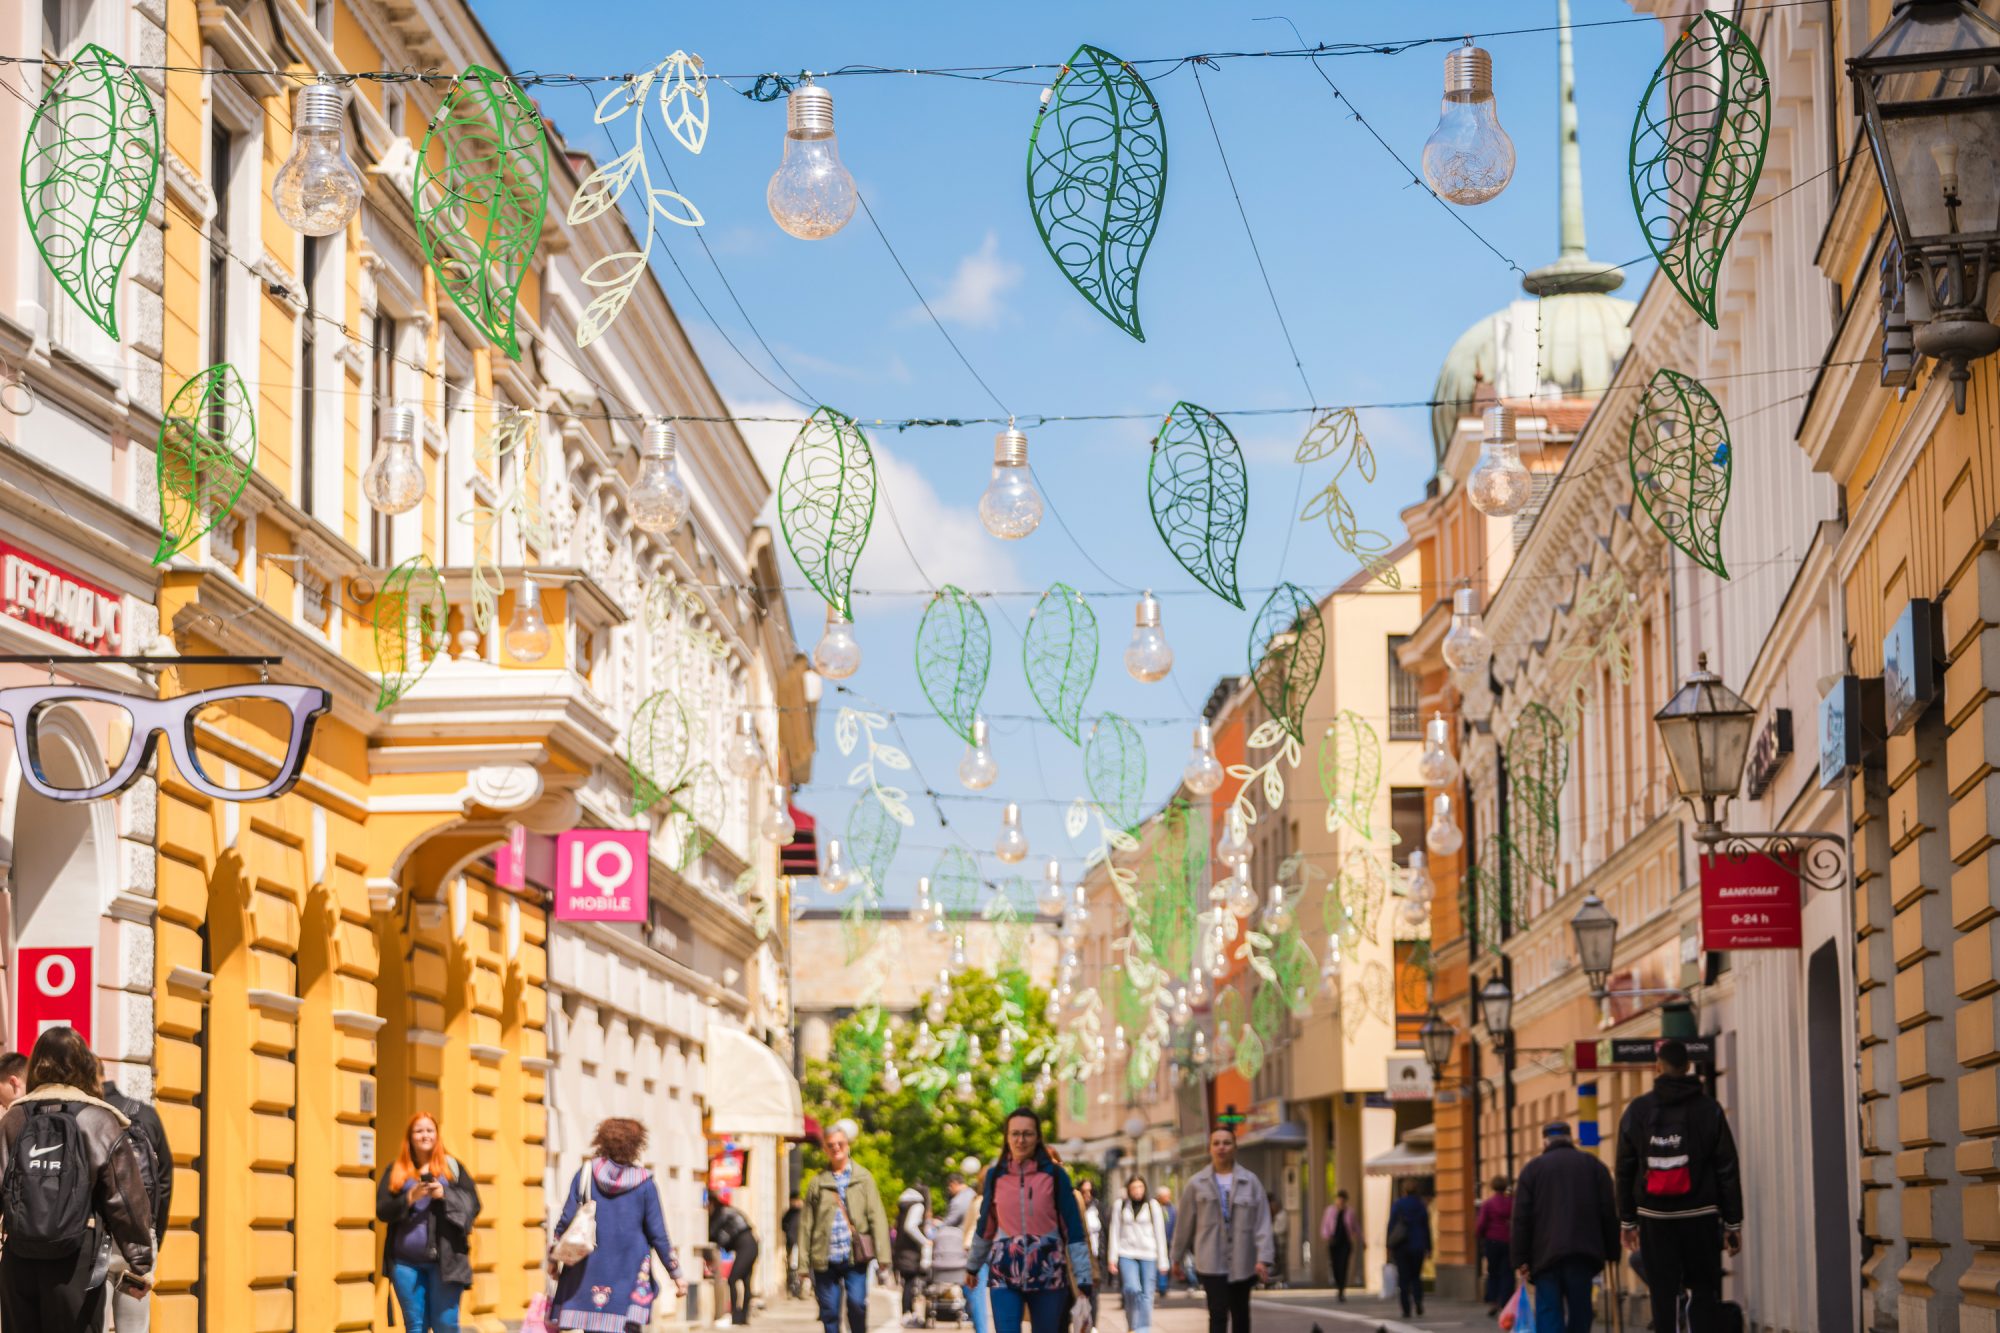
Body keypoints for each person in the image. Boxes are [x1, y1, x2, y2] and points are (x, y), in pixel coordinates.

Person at [0, 1026, 153, 1332]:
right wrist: (140, 1262)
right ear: (84, 1065)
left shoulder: (14, 1118)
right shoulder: (98, 1120)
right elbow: (125, 1198)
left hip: (19, 1258)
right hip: (77, 1260)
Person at [1615, 1038, 1744, 1333]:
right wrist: (1733, 1223)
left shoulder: (1637, 1111)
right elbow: (1727, 1167)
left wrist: (1627, 1220)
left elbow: (1624, 1169)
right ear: (1688, 1067)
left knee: (1663, 1292)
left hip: (1654, 1216)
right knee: (1703, 1288)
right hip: (1700, 1214)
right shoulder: (1709, 1109)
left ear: (1657, 1067)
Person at [964, 1107, 1094, 1333]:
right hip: (1005, 1272)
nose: (1020, 1140)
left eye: (1027, 1134)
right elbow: (986, 1225)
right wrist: (973, 1266)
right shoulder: (996, 1176)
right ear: (1006, 1137)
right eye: (1015, 1133)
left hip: (1048, 1272)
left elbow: (1073, 1229)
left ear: (1037, 1138)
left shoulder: (1055, 1176)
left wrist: (1083, 1277)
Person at [376, 1112, 480, 1331]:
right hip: (405, 1263)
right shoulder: (396, 1170)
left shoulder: (452, 1169)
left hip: (447, 1262)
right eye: (419, 1131)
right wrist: (409, 1198)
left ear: (437, 1135)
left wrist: (444, 1194)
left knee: (446, 1324)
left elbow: (473, 1204)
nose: (425, 1135)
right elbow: (382, 1210)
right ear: (410, 1137)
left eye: (429, 1130)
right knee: (415, 1326)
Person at [1512, 1121, 1618, 1333]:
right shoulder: (1594, 1166)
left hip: (1544, 1256)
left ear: (1544, 1141)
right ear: (1571, 1139)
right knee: (1581, 1310)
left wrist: (1520, 1258)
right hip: (1583, 1253)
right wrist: (1612, 1251)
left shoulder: (1532, 1170)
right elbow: (1608, 1212)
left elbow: (1521, 1218)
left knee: (1549, 1312)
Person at [1168, 1126, 1272, 1333]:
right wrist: (1176, 1258)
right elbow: (1184, 1224)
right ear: (1210, 1148)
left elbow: (1262, 1222)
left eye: (1226, 1143)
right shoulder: (1196, 1184)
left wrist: (1263, 1257)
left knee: (1241, 1314)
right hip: (1210, 1261)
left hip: (1243, 1260)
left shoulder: (1250, 1182)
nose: (1221, 1147)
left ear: (1235, 1147)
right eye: (1216, 1143)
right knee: (1217, 1314)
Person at [800, 1121, 891, 1333]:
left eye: (840, 1143)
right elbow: (806, 1225)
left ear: (848, 1145)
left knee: (857, 1305)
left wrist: (884, 1256)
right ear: (825, 1149)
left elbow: (877, 1216)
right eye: (831, 1145)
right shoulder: (818, 1182)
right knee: (829, 1311)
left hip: (854, 1256)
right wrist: (803, 1265)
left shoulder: (863, 1178)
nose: (836, 1148)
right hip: (825, 1256)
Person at [102, 1075, 172, 1333]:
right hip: (140, 1239)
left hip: (101, 1239)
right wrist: (153, 1236)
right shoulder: (147, 1114)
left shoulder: (89, 1115)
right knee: (134, 1328)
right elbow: (164, 1182)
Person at [1107, 1175, 1168, 1333]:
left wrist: (1163, 1261)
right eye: (1134, 1188)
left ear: (1145, 1188)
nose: (1137, 1191)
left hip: (1149, 1254)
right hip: (1126, 1253)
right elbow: (1114, 1232)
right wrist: (1112, 1258)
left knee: (1147, 1295)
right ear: (1128, 1189)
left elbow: (1160, 1234)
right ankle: (1132, 1325)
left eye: (1140, 1187)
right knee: (1131, 1289)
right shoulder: (1120, 1205)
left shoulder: (1153, 1205)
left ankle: (1143, 1329)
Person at [710, 1189, 761, 1325]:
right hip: (751, 1244)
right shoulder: (727, 1211)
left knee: (733, 1279)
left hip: (747, 1245)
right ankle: (742, 1316)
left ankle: (737, 1315)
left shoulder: (722, 1213)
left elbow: (713, 1232)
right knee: (745, 1281)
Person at [1385, 1181, 1430, 1320]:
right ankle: (1418, 1300)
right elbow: (1426, 1228)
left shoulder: (1398, 1205)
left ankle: (1406, 1309)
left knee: (1403, 1279)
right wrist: (1429, 1247)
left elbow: (1391, 1225)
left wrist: (1388, 1245)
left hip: (1401, 1246)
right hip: (1417, 1246)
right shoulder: (1421, 1205)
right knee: (1416, 1276)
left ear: (1404, 1191)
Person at [1473, 1176, 1515, 1316]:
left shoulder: (1488, 1204)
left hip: (1492, 1241)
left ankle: (1494, 1301)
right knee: (1507, 1273)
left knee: (1493, 1272)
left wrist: (1479, 1236)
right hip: (1508, 1241)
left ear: (1492, 1187)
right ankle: (1506, 1303)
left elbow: (1481, 1224)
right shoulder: (1511, 1202)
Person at [894, 1183, 932, 1325]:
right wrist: (925, 1241)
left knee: (907, 1284)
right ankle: (908, 1314)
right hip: (912, 1252)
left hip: (902, 1250)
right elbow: (910, 1227)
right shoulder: (917, 1206)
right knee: (911, 1284)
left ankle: (907, 1312)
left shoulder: (904, 1205)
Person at [1318, 1190, 1358, 1302]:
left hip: (1345, 1242)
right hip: (1334, 1242)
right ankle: (1338, 1284)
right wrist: (1326, 1236)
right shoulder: (1330, 1211)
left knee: (1343, 1266)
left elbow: (1355, 1226)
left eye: (1343, 1199)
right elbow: (1325, 1225)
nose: (1341, 1201)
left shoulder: (1350, 1212)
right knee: (1335, 1266)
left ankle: (1341, 1290)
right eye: (1339, 1199)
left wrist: (1361, 1238)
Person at [1076, 1177, 1107, 1324]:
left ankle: (1093, 1324)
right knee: (1081, 1293)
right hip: (1079, 1256)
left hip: (1095, 1256)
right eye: (1083, 1191)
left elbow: (1106, 1231)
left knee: (1094, 1293)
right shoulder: (1074, 1208)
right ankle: (1082, 1323)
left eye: (1090, 1191)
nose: (1087, 1194)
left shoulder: (1098, 1208)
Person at [1152, 1189, 1174, 1300]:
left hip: (1169, 1240)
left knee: (1166, 1263)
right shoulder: (1152, 1207)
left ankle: (1164, 1286)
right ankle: (1160, 1286)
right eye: (1165, 1196)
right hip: (1154, 1241)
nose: (1168, 1198)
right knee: (1157, 1263)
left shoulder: (1172, 1209)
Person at [784, 1193, 805, 1297]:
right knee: (792, 1267)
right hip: (792, 1244)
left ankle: (800, 1289)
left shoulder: (803, 1213)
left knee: (800, 1267)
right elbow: (783, 1225)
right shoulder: (790, 1213)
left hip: (801, 1244)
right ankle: (792, 1289)